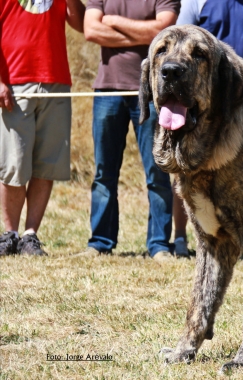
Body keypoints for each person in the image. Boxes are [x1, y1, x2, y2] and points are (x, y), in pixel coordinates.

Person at [80, 0, 179, 262]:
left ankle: (159, 244)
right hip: (107, 92)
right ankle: (100, 241)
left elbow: (162, 32)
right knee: (104, 173)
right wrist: (143, 34)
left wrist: (112, 22)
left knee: (158, 172)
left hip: (150, 94)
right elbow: (90, 30)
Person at [172, 0, 243, 257]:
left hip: (240, 102)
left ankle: (239, 237)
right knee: (185, 168)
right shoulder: (195, 2)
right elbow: (177, 49)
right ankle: (180, 237)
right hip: (199, 100)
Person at [0, 0, 85, 257]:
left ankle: (30, 236)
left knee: (47, 163)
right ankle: (9, 234)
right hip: (14, 82)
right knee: (14, 163)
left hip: (56, 82)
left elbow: (81, 24)